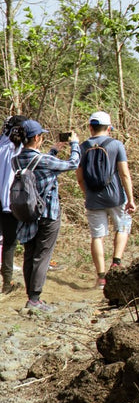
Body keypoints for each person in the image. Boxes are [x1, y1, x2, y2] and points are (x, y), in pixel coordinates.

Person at [14, 120, 79, 313]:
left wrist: (53, 151)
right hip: (48, 213)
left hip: (26, 212)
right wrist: (75, 144)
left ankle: (31, 296)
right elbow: (73, 164)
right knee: (42, 255)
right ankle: (35, 299)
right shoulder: (42, 160)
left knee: (29, 254)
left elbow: (38, 169)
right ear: (36, 138)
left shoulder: (16, 159)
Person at [75, 111, 136, 289]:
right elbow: (124, 174)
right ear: (109, 128)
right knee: (122, 226)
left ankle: (101, 278)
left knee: (97, 236)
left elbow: (79, 178)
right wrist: (130, 199)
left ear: (90, 127)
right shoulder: (116, 145)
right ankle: (116, 264)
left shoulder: (81, 147)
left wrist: (88, 194)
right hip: (116, 197)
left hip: (93, 199)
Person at [0, 115, 24, 293]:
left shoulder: (1, 145)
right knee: (9, 243)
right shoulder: (21, 150)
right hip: (10, 203)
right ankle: (7, 284)